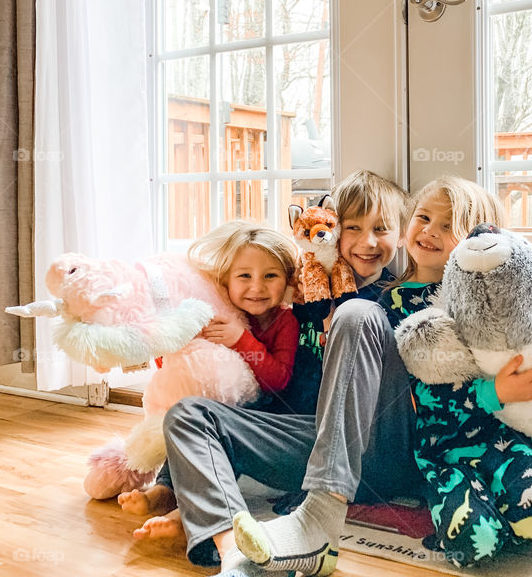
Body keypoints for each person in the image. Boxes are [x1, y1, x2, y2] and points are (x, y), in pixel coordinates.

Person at [232, 177, 532, 572]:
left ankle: (506, 506)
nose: (429, 231)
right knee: (474, 544)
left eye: (448, 225)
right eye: (424, 218)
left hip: (495, 437)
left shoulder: (485, 298)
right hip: (428, 445)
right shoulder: (386, 303)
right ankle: (321, 516)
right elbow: (416, 393)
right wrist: (492, 392)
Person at [158, 170, 412, 572]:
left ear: (401, 234)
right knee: (188, 414)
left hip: (376, 450)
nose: (367, 241)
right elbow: (270, 376)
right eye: (353, 228)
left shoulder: (400, 297)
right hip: (310, 443)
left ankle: (321, 516)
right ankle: (231, 552)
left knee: (357, 313)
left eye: (381, 229)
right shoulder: (303, 302)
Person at [117, 222, 301, 540]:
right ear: (225, 280)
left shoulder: (285, 321)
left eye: (270, 276)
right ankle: (162, 491)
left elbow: (279, 380)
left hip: (261, 415)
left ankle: (184, 514)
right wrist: (177, 351)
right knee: (186, 429)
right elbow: (176, 363)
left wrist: (242, 339)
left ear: (286, 280)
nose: (257, 287)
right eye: (244, 276)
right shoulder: (214, 313)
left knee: (219, 445)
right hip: (212, 406)